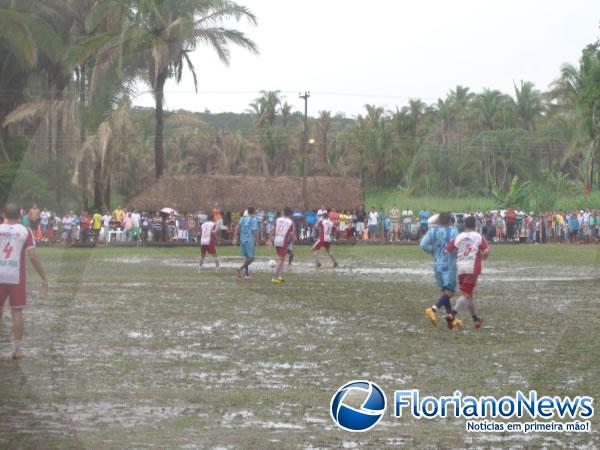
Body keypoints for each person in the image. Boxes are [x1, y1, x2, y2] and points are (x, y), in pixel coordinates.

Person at [0, 204, 48, 359]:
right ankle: (17, 349)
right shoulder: (25, 231)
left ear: (3, 214)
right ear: (20, 215)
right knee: (17, 312)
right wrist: (43, 277)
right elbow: (32, 257)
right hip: (16, 276)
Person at [445, 216, 489, 329]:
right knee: (467, 295)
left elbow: (447, 249)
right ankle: (452, 314)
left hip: (461, 268)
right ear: (475, 225)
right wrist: (482, 256)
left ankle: (476, 319)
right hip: (472, 268)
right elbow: (486, 251)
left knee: (468, 295)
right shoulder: (478, 236)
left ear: (465, 225)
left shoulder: (459, 236)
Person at [420, 212, 461, 329]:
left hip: (437, 265)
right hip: (449, 266)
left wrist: (432, 252)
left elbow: (423, 245)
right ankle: (433, 309)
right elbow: (458, 246)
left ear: (438, 221)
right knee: (450, 292)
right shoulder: (453, 232)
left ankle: (450, 320)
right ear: (449, 221)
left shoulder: (432, 232)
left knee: (445, 293)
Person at [271, 207, 295, 284]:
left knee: (281, 258)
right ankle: (274, 277)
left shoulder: (277, 219)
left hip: (276, 239)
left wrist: (269, 240)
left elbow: (272, 229)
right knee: (281, 259)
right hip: (283, 240)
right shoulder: (290, 222)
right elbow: (291, 234)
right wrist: (292, 242)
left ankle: (280, 276)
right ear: (290, 214)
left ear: (283, 212)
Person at [233, 207, 258, 280]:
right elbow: (254, 231)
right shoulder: (253, 219)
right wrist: (257, 239)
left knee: (247, 258)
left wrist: (235, 237)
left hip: (242, 239)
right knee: (251, 258)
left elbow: (237, 227)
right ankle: (240, 269)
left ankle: (246, 274)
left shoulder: (242, 218)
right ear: (253, 212)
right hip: (249, 240)